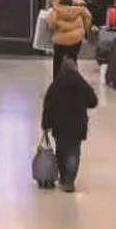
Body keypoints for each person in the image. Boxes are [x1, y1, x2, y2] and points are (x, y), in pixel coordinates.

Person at [38, 59, 97, 192]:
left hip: (60, 125)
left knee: (61, 151)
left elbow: (49, 105)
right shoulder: (81, 83)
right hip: (77, 125)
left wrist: (45, 124)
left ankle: (63, 177)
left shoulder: (56, 84)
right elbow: (93, 101)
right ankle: (70, 180)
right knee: (74, 152)